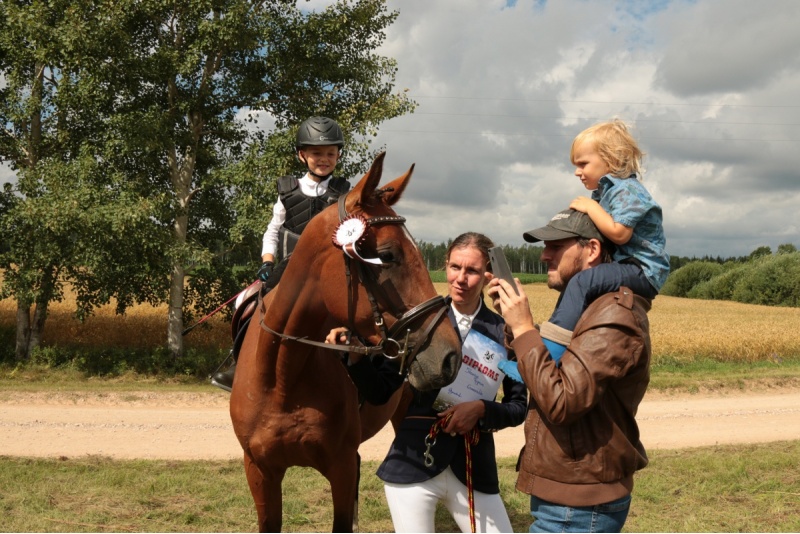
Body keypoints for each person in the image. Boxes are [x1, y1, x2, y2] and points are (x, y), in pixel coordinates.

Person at [328, 232, 527, 533]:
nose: (460, 278)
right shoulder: (418, 322)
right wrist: (355, 357)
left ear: (487, 275)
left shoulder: (505, 332)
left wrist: (481, 410)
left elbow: (518, 406)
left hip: (474, 467)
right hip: (413, 464)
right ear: (445, 265)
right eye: (455, 267)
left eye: (471, 270)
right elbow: (380, 391)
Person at [488, 208, 652, 533]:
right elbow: (550, 371)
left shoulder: (613, 315)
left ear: (591, 249)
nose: (543, 255)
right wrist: (513, 327)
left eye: (555, 246)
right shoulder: (589, 307)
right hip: (568, 496)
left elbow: (561, 400)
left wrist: (523, 328)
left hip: (578, 507)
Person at [211, 116, 351, 392]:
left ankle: (363, 374)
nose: (324, 159)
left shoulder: (345, 192)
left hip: (329, 272)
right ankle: (238, 363)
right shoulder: (287, 191)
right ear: (302, 155)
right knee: (245, 301)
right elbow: (272, 231)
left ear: (338, 155)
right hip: (288, 270)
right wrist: (267, 262)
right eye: (317, 153)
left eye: (330, 154)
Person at [539, 119, 668, 362]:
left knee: (582, 281)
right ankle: (549, 342)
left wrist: (590, 207)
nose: (577, 171)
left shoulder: (627, 190)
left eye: (583, 164)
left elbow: (620, 233)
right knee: (574, 287)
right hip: (626, 264)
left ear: (610, 161)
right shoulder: (605, 192)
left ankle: (550, 356)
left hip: (642, 270)